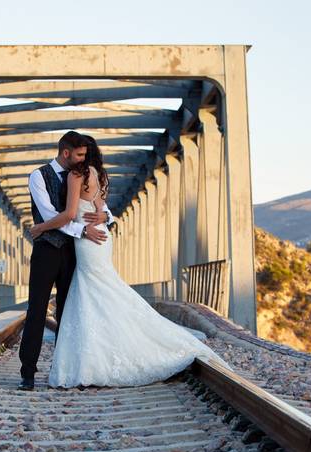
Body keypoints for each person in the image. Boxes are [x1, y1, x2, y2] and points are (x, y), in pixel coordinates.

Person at [28, 134, 232, 388]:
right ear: (68, 152)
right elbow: (95, 211)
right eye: (78, 153)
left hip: (85, 241)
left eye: (83, 154)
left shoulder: (77, 175)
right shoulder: (81, 174)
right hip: (86, 241)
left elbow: (70, 214)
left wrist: (41, 228)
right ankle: (45, 369)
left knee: (90, 298)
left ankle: (88, 363)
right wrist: (103, 219)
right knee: (93, 297)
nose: (80, 157)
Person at [17, 131, 113, 390]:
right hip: (47, 251)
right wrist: (81, 230)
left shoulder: (82, 173)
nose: (85, 158)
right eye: (80, 154)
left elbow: (100, 207)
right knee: (36, 310)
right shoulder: (39, 176)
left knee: (67, 312)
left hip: (74, 252)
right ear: (66, 153)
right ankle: (28, 372)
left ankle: (64, 370)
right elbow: (49, 214)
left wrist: (106, 218)